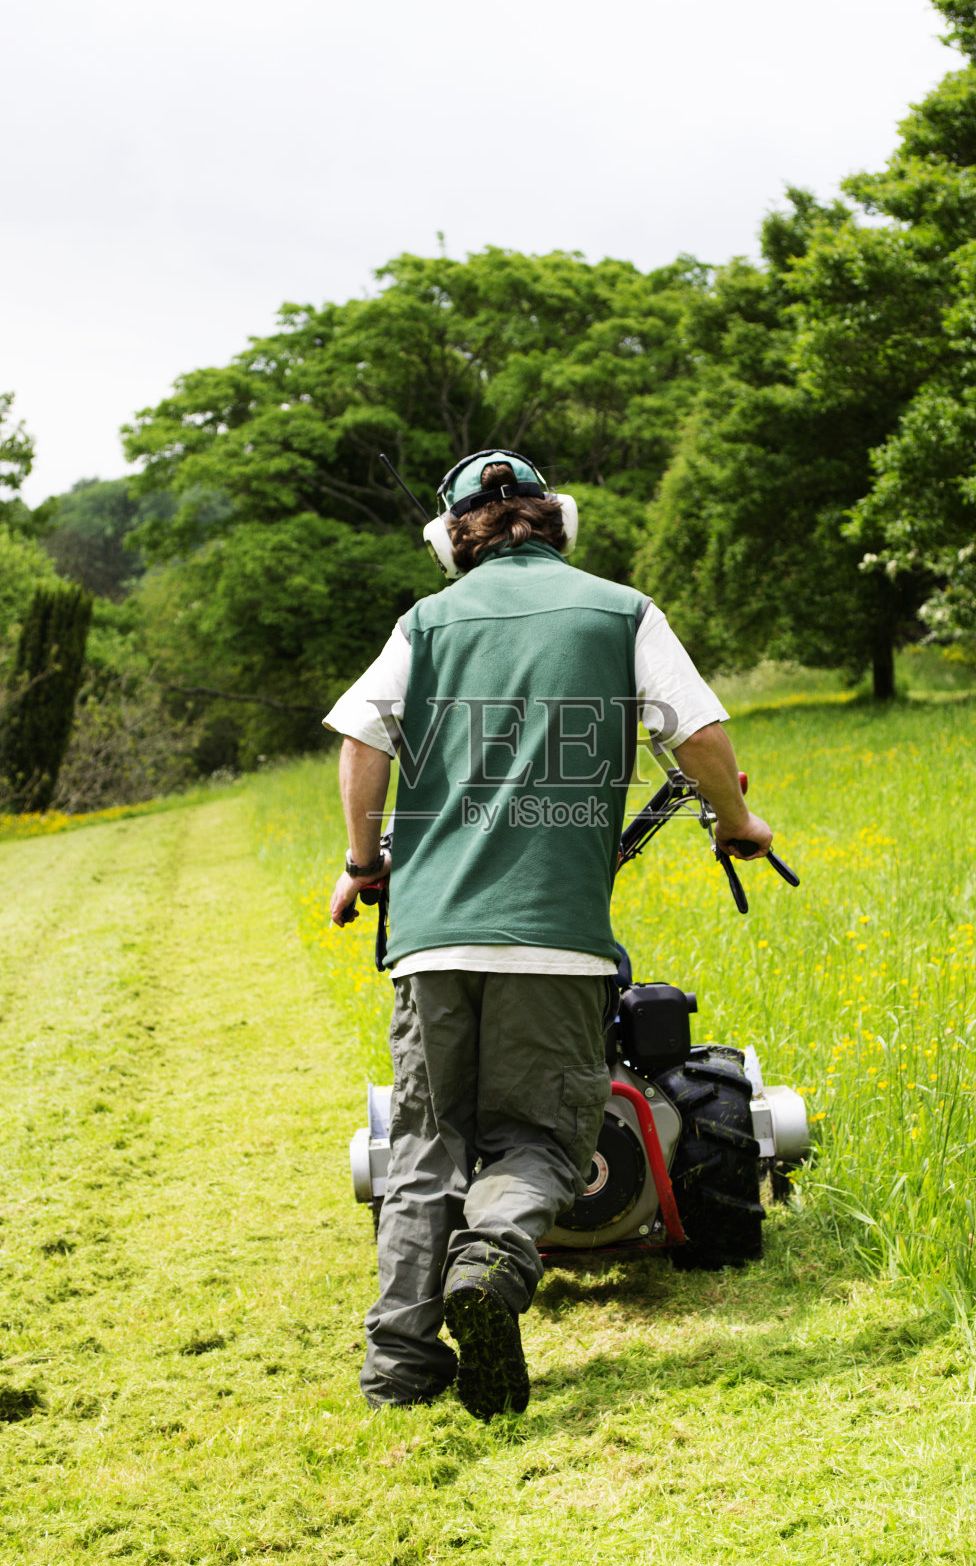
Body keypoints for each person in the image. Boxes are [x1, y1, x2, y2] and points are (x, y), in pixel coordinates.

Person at [324, 450, 773, 1420]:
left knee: (424, 1146)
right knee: (540, 1138)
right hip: (552, 941)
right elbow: (694, 733)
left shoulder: (423, 623)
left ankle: (400, 1368)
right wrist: (734, 820)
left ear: (451, 538)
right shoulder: (619, 611)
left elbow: (361, 740)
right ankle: (490, 1260)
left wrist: (365, 864)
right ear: (554, 521)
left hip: (433, 940)